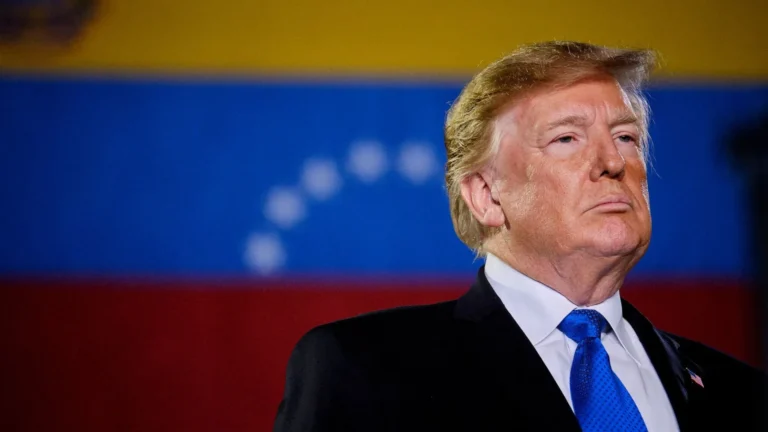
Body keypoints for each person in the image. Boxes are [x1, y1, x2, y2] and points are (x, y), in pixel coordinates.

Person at [273, 41, 766, 432]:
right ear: (487, 195)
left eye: (625, 137)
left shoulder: (740, 392)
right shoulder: (366, 368)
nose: (614, 162)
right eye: (566, 138)